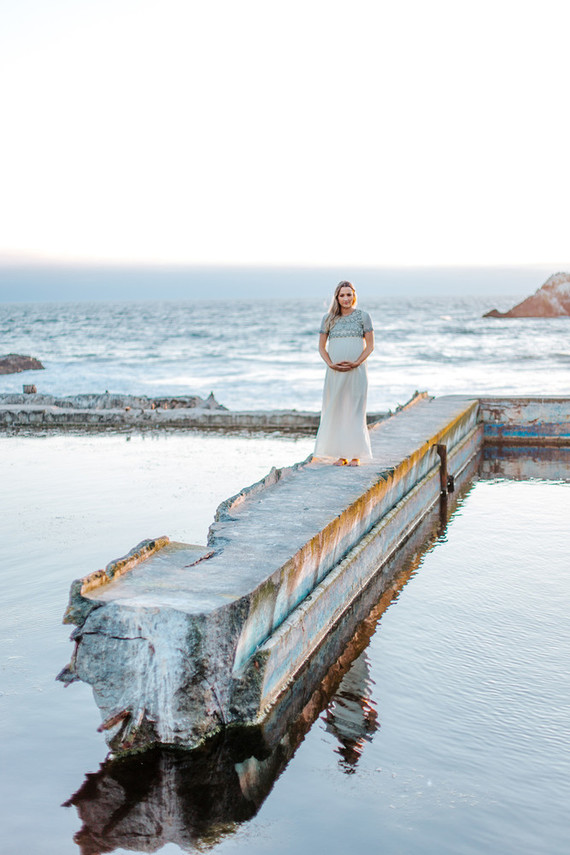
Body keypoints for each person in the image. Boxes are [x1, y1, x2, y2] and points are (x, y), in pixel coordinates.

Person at [314, 281, 374, 466]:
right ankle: (342, 455)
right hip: (335, 372)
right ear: (337, 297)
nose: (346, 298)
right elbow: (321, 347)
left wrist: (357, 362)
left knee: (355, 410)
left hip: (357, 371)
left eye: (349, 294)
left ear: (354, 296)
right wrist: (331, 364)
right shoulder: (328, 319)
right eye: (342, 295)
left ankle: (356, 455)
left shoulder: (363, 316)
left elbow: (370, 346)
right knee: (338, 409)